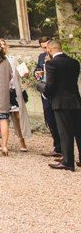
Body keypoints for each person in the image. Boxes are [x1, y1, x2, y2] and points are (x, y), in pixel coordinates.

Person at [38, 39, 81, 171]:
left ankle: (68, 162)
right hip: (75, 101)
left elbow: (50, 86)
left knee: (65, 133)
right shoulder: (74, 62)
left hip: (60, 102)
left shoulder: (51, 64)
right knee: (79, 132)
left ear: (50, 50)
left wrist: (40, 86)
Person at [0, 38, 31, 152]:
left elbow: (23, 74)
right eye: (0, 45)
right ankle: (0, 142)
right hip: (1, 93)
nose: (2, 46)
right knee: (2, 117)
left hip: (13, 91)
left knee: (18, 116)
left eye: (4, 44)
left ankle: (22, 140)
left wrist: (25, 73)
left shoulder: (13, 59)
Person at [35, 37, 62, 158]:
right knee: (50, 119)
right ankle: (57, 147)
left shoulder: (58, 58)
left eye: (47, 47)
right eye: (43, 48)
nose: (46, 50)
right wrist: (37, 73)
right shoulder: (41, 56)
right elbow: (37, 69)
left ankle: (64, 148)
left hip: (57, 94)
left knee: (60, 121)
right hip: (45, 93)